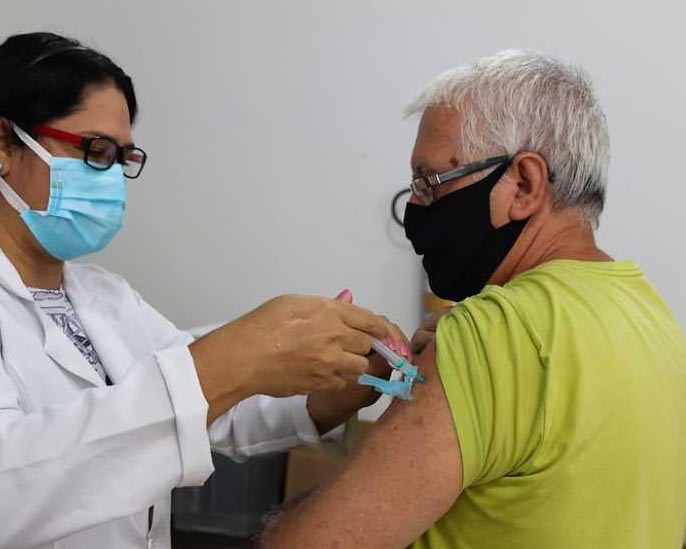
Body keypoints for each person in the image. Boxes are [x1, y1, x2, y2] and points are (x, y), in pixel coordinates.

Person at [0, 32, 410, 549]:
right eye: (96, 151)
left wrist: (345, 382)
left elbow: (220, 410)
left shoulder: (100, 295)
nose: (110, 176)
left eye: (122, 158)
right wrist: (236, 354)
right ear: (3, 143)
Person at [260, 50, 686, 548]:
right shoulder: (650, 314)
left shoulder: (494, 332)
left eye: (428, 182)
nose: (416, 208)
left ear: (524, 185)